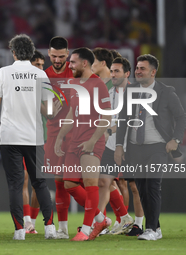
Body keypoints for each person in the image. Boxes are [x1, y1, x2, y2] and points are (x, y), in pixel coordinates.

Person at [0, 34, 56, 241]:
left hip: (10, 137)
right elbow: (51, 111)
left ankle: (19, 231)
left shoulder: (4, 72)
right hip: (34, 137)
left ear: (14, 52)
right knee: (40, 183)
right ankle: (50, 228)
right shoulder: (40, 75)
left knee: (15, 185)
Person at [115, 54, 186, 240]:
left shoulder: (166, 92)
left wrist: (176, 140)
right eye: (137, 68)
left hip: (158, 147)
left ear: (153, 72)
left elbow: (181, 117)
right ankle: (156, 227)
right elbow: (122, 121)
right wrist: (119, 146)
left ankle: (152, 229)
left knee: (153, 186)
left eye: (142, 68)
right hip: (134, 148)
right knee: (143, 189)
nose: (138, 71)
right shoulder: (129, 93)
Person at [54, 47, 112, 241]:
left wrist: (93, 140)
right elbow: (72, 112)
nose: (69, 65)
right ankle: (99, 218)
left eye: (73, 62)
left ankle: (86, 230)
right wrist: (61, 135)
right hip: (75, 141)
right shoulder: (75, 84)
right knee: (69, 184)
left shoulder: (98, 84)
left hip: (92, 141)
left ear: (84, 63)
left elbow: (107, 116)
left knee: (90, 183)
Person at [98, 57, 134, 235]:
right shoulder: (109, 93)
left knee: (133, 186)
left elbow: (127, 121)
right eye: (111, 71)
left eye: (117, 71)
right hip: (110, 146)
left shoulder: (135, 94)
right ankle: (122, 219)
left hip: (131, 146)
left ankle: (146, 224)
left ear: (127, 74)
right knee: (104, 181)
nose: (113, 74)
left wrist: (109, 131)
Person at [44, 36, 73, 239]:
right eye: (54, 56)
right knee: (59, 181)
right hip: (54, 132)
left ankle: (100, 219)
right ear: (48, 53)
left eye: (61, 56)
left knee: (83, 181)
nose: (57, 59)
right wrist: (48, 111)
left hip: (77, 131)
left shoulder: (76, 71)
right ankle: (63, 228)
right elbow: (44, 109)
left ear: (68, 54)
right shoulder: (44, 76)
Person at [22, 50, 45, 234]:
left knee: (38, 182)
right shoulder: (20, 85)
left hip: (41, 138)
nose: (40, 68)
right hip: (22, 136)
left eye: (42, 65)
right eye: (37, 65)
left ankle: (33, 222)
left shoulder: (44, 83)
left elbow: (50, 111)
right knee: (24, 179)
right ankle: (26, 220)